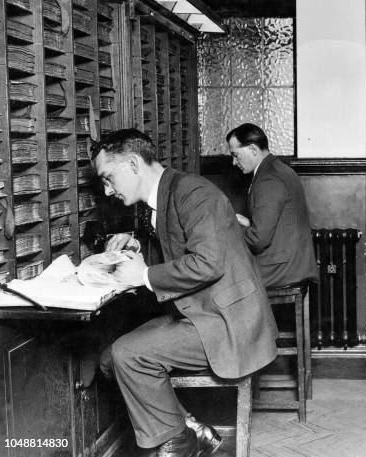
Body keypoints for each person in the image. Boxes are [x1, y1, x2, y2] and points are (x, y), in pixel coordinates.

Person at [91, 129, 278, 457]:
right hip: (202, 313)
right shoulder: (169, 192)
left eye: (108, 178)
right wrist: (140, 250)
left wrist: (145, 274)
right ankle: (190, 427)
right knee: (109, 359)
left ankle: (176, 444)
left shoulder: (192, 193)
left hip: (229, 323)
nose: (107, 191)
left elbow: (208, 263)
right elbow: (181, 247)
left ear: (134, 164)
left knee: (128, 355)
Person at [226, 123, 317, 288]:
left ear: (253, 149)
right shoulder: (279, 169)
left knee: (223, 285)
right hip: (292, 264)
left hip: (280, 269)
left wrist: (232, 229)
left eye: (235, 155)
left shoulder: (268, 179)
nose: (234, 162)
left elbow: (258, 239)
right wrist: (248, 224)